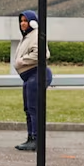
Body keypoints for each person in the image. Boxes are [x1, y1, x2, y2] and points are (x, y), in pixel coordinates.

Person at [12, 9, 52, 152]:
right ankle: (31, 138)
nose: (23, 24)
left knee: (34, 108)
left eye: (25, 21)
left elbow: (42, 53)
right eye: (21, 21)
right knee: (28, 108)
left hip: (37, 74)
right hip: (30, 76)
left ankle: (36, 139)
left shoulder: (36, 35)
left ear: (33, 22)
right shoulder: (28, 36)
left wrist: (22, 61)